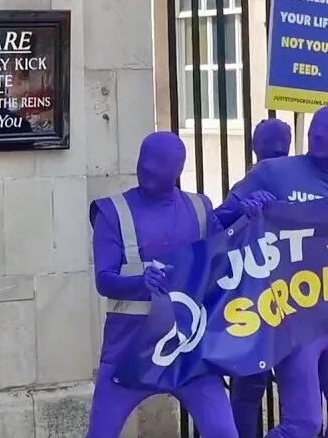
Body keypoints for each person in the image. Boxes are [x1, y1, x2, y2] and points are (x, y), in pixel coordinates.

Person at [87, 131, 261, 438]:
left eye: (157, 166)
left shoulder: (199, 208)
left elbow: (224, 253)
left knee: (223, 432)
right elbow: (104, 280)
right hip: (129, 349)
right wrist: (141, 283)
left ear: (177, 170)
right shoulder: (113, 211)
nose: (147, 171)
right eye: (143, 163)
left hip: (188, 347)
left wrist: (248, 216)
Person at [222, 105, 328, 438]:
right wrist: (242, 211)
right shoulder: (273, 172)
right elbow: (217, 223)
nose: (318, 134)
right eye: (315, 127)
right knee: (303, 424)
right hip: (289, 317)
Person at [227, 118, 292, 438]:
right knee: (249, 382)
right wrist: (244, 211)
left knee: (299, 383)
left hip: (297, 297)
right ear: (254, 147)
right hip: (256, 296)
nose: (275, 152)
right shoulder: (252, 181)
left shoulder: (299, 176)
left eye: (281, 146)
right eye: (269, 145)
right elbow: (219, 222)